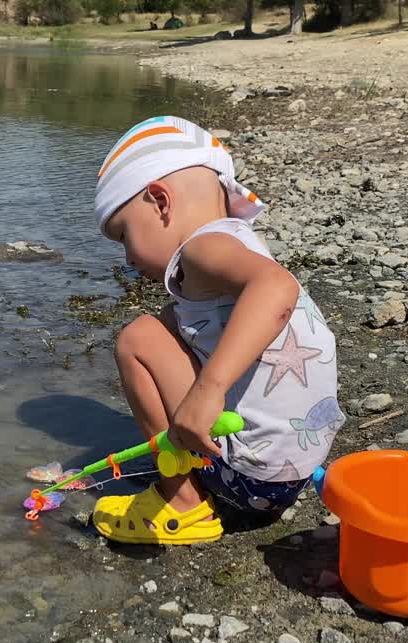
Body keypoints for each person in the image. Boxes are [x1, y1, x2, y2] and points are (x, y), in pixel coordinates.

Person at [90, 116, 345, 545]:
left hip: (248, 478)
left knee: (137, 340)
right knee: (166, 325)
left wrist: (208, 390)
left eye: (123, 235)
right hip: (290, 473)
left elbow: (276, 286)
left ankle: (183, 503)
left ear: (160, 201)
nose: (128, 259)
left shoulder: (201, 248)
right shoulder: (238, 239)